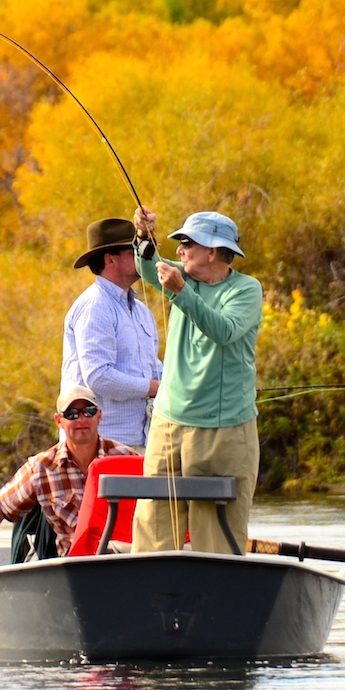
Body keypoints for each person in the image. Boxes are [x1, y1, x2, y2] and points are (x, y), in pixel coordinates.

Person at [129, 207, 262, 554]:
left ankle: (218, 602)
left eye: (187, 242)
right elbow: (147, 264)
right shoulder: (179, 280)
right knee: (153, 532)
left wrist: (181, 293)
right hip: (168, 426)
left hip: (225, 431)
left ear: (213, 251)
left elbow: (224, 330)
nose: (179, 250)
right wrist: (143, 235)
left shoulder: (246, 290)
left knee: (216, 540)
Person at [0, 384, 138, 561]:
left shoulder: (127, 458)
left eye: (87, 411)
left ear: (99, 415)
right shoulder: (41, 468)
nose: (80, 419)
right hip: (74, 569)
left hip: (125, 562)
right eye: (71, 413)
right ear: (59, 421)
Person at [61, 216, 162, 447]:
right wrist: (156, 388)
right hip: (100, 446)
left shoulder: (141, 311)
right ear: (110, 259)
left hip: (139, 441)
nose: (140, 257)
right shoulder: (95, 305)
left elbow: (152, 367)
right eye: (132, 251)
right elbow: (98, 376)